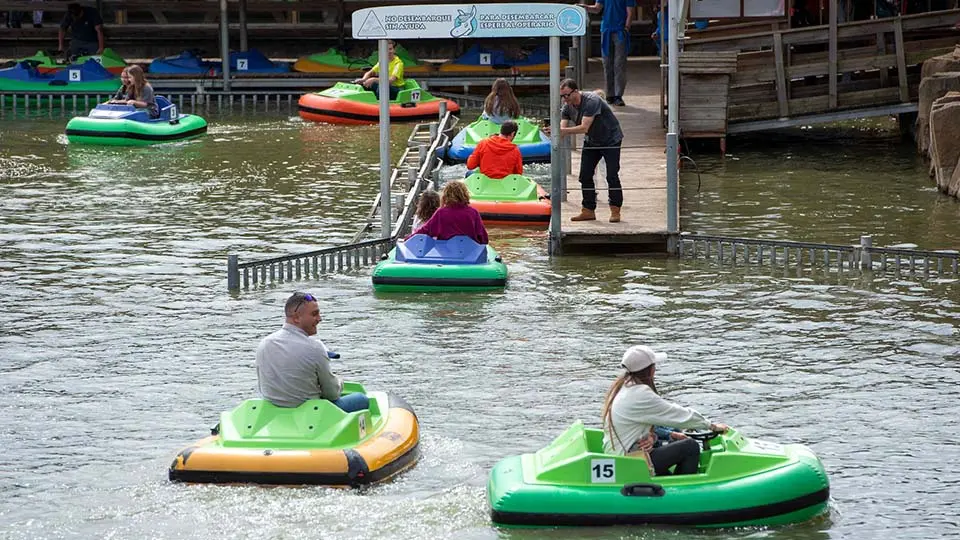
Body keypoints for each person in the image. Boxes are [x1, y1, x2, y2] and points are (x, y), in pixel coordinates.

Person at [602, 345, 729, 476]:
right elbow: (677, 414)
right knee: (690, 447)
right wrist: (710, 425)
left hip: (621, 455)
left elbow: (642, 421)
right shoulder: (640, 394)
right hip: (628, 461)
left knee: (673, 441)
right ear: (650, 370)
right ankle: (683, 489)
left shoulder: (624, 387)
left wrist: (653, 437)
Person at [256, 292, 370, 413]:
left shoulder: (264, 344)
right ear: (296, 318)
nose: (320, 319)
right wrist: (339, 381)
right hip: (311, 415)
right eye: (314, 314)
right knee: (361, 399)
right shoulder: (315, 347)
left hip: (274, 412)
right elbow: (332, 394)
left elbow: (263, 387)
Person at [553, 78, 624, 223]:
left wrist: (562, 131)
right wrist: (555, 133)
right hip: (591, 140)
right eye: (562, 96)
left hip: (610, 139)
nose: (565, 99)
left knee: (611, 175)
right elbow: (562, 127)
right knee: (584, 175)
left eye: (567, 95)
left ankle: (615, 210)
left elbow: (584, 127)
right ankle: (588, 210)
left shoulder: (592, 100)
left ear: (576, 91)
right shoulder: (567, 107)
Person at [580, 0, 634, 106]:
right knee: (607, 63)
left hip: (620, 31)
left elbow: (630, 13)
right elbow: (597, 9)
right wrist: (585, 7)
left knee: (619, 64)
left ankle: (618, 96)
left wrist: (626, 28)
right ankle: (610, 95)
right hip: (606, 30)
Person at [409, 180, 488, 245]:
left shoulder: (441, 213)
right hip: (470, 251)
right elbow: (483, 238)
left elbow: (425, 230)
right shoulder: (473, 213)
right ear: (465, 194)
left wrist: (408, 239)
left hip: (447, 253)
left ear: (446, 195)